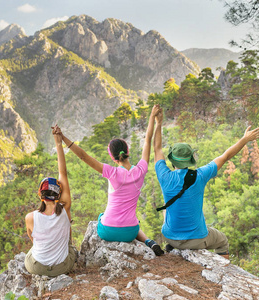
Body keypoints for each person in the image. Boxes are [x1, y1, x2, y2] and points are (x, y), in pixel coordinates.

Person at [153, 108, 259, 258]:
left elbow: (157, 148)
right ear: (190, 160)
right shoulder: (200, 175)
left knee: (167, 209)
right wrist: (244, 139)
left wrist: (158, 123)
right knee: (222, 240)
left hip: (170, 237)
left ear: (171, 161)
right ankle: (224, 273)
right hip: (197, 240)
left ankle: (173, 247)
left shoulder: (164, 176)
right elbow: (225, 156)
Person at [56, 105, 164, 256]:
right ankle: (148, 241)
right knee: (134, 221)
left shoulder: (111, 172)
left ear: (113, 158)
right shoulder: (140, 170)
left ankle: (146, 240)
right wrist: (153, 117)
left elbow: (84, 156)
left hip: (108, 231)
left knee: (101, 217)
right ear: (127, 152)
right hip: (130, 232)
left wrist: (63, 139)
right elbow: (147, 141)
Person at [24, 126, 76, 276]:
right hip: (63, 267)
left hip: (38, 268)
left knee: (33, 250)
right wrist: (58, 142)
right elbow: (62, 172)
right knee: (69, 246)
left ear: (39, 195)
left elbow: (32, 238)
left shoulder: (30, 217)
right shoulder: (65, 207)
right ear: (59, 195)